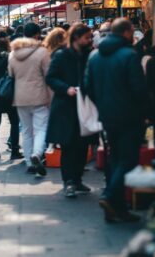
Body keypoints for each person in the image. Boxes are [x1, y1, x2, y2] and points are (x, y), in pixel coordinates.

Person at [84, 18, 149, 223]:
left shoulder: (94, 56)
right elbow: (139, 89)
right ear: (128, 32)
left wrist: (102, 104)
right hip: (130, 116)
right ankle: (110, 196)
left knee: (115, 156)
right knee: (127, 159)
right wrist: (145, 110)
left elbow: (87, 87)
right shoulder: (129, 55)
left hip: (107, 115)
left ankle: (118, 207)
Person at [45, 23, 94, 199]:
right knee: (68, 146)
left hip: (86, 106)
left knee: (83, 145)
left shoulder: (89, 55)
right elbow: (50, 77)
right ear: (76, 38)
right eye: (87, 37)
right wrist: (66, 89)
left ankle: (78, 179)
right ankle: (69, 182)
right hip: (66, 106)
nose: (90, 40)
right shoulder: (61, 55)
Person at [9, 23, 52, 177]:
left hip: (20, 97)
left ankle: (28, 162)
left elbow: (11, 74)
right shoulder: (42, 52)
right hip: (39, 96)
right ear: (36, 35)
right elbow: (49, 75)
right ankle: (37, 153)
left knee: (26, 131)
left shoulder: (13, 54)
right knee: (41, 128)